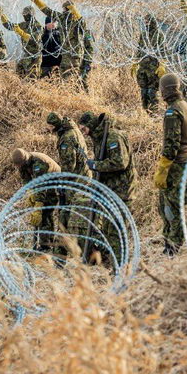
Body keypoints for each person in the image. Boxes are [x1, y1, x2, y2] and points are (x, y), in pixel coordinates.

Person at [78, 110, 134, 266]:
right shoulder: (100, 138)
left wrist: (95, 165)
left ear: (90, 125)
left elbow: (120, 162)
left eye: (83, 129)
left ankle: (121, 267)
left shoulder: (112, 137)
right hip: (110, 191)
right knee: (109, 230)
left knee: (116, 232)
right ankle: (113, 264)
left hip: (121, 191)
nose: (83, 132)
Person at [153, 73, 187, 254]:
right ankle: (173, 243)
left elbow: (172, 144)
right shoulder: (185, 106)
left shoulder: (172, 112)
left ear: (165, 90)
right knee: (176, 205)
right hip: (186, 161)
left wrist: (163, 167)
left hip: (175, 165)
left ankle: (173, 246)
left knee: (170, 207)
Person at [47, 111, 93, 258]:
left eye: (49, 126)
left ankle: (62, 256)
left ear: (54, 126)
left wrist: (62, 185)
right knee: (78, 217)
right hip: (82, 179)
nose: (48, 129)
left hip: (76, 182)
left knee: (66, 217)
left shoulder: (66, 138)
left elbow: (68, 166)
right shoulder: (72, 131)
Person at [9, 148, 71, 258]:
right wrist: (29, 194)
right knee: (41, 213)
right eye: (16, 165)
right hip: (42, 184)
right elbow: (26, 181)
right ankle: (43, 243)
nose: (17, 167)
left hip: (55, 182)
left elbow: (41, 187)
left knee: (45, 213)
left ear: (25, 160)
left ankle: (46, 246)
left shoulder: (39, 164)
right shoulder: (21, 164)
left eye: (19, 165)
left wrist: (38, 205)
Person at [31, 0, 87, 82]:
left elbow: (83, 26)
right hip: (66, 53)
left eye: (64, 9)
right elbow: (48, 12)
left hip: (74, 53)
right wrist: (37, 1)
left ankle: (73, 92)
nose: (63, 10)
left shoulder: (77, 21)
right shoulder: (63, 18)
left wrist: (37, 1)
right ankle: (67, 92)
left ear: (67, 9)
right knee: (64, 76)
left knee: (73, 76)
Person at [132, 14, 166, 113]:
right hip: (143, 68)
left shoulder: (158, 35)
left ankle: (154, 113)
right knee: (143, 92)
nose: (146, 23)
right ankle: (146, 112)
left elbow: (163, 51)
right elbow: (139, 49)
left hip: (153, 68)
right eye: (145, 21)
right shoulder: (143, 35)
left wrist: (162, 64)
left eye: (148, 21)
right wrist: (135, 63)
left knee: (152, 92)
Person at [0, 5, 43, 78]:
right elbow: (9, 26)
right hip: (27, 54)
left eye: (25, 14)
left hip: (35, 56)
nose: (24, 15)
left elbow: (34, 38)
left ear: (30, 14)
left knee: (32, 76)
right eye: (23, 14)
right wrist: (1, 15)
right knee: (19, 70)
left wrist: (21, 32)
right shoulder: (24, 24)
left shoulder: (38, 26)